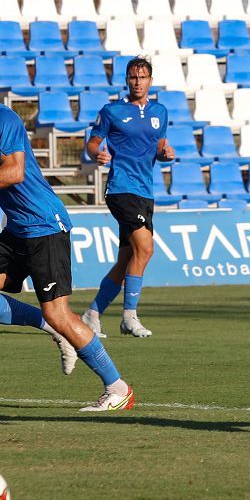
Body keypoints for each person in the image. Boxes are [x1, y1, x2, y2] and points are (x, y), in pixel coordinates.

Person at [0, 54, 134, 412]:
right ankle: (51, 329)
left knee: (61, 314)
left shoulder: (2, 118)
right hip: (17, 228)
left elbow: (14, 172)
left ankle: (118, 388)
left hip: (44, 224)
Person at [81, 57, 175, 339]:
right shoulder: (112, 111)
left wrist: (164, 153)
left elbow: (158, 145)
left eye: (143, 77)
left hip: (146, 191)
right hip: (121, 189)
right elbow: (93, 141)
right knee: (145, 249)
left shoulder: (160, 111)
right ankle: (129, 317)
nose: (138, 81)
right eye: (133, 77)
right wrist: (95, 153)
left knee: (127, 260)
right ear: (126, 79)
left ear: (150, 80)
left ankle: (92, 314)